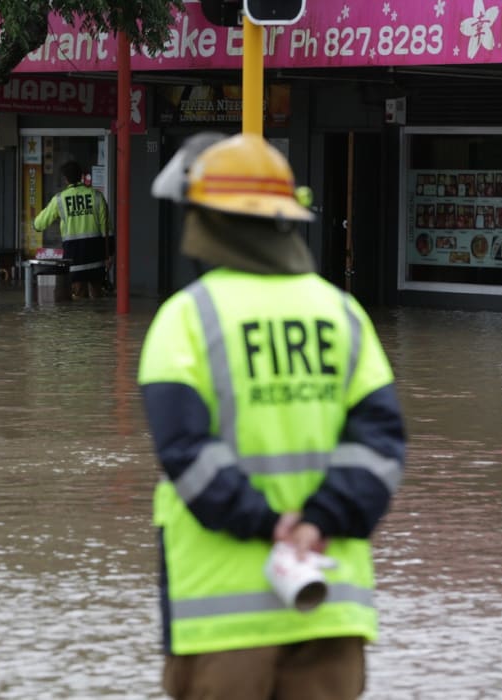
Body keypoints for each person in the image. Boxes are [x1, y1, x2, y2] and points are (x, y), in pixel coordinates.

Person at [138, 132, 406, 700]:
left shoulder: (186, 318)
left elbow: (185, 450)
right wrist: (317, 523)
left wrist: (268, 523)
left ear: (203, 221)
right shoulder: (343, 314)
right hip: (330, 603)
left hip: (221, 619)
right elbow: (380, 447)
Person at [33, 160, 112, 298]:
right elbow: (108, 230)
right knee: (98, 299)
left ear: (65, 179)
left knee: (78, 302)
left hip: (74, 259)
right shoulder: (97, 196)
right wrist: (109, 256)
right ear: (82, 176)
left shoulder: (59, 199)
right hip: (96, 259)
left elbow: (38, 225)